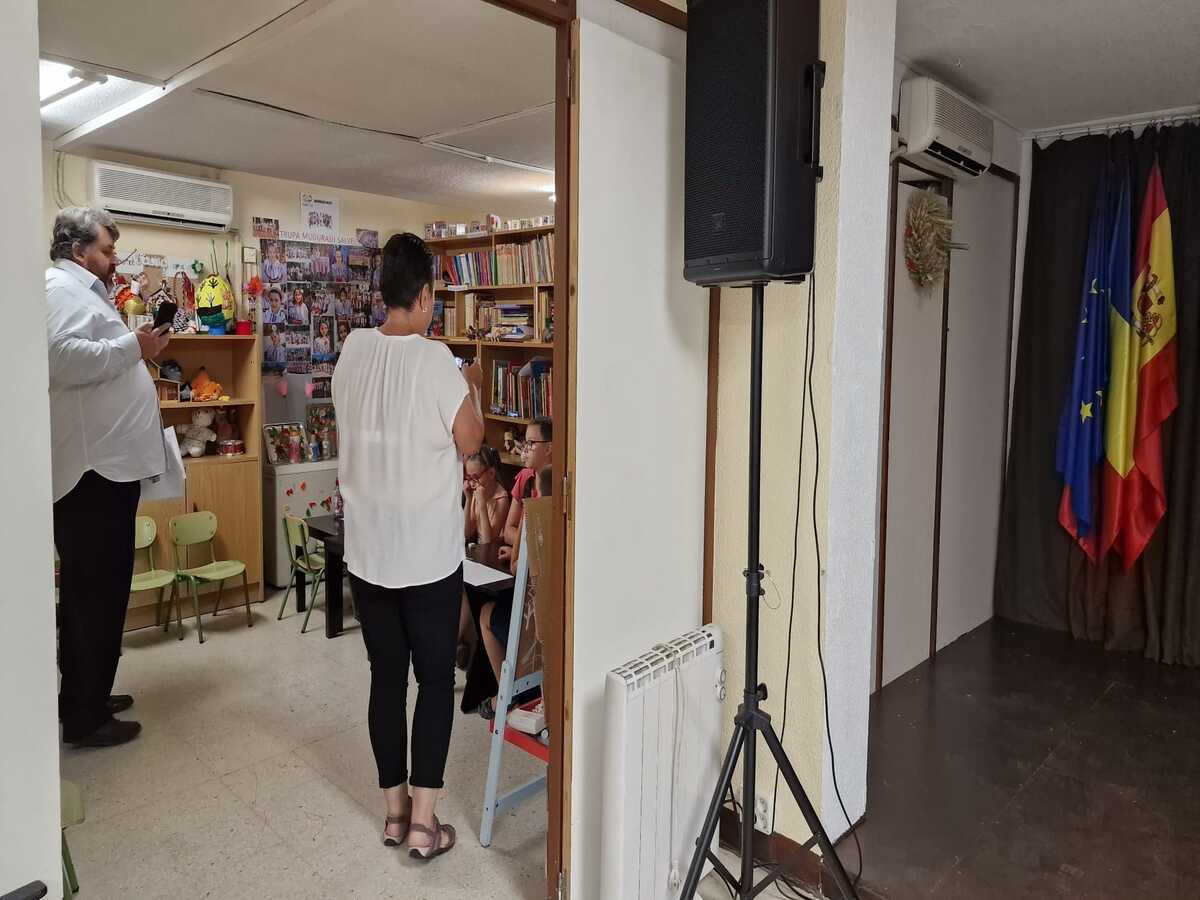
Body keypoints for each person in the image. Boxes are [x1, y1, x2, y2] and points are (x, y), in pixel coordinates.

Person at [333, 232, 484, 860]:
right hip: (426, 555)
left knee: (386, 679)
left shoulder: (352, 349)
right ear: (423, 294)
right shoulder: (437, 360)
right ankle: (425, 824)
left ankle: (394, 812)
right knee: (434, 681)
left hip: (368, 551)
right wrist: (470, 385)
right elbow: (470, 441)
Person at [46, 207, 170, 748]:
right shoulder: (58, 289)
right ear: (78, 251)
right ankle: (85, 716)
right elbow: (60, 358)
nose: (114, 258)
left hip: (105, 471)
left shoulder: (84, 293)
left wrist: (139, 348)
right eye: (106, 249)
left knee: (96, 593)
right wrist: (133, 347)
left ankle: (86, 695)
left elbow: (98, 361)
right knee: (94, 595)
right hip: (90, 473)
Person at [477, 463, 552, 720]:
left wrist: (526, 520)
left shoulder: (538, 523)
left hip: (534, 623)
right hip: (545, 616)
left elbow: (517, 565)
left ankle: (507, 694)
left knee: (487, 613)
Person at [464, 446, 510, 544]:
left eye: (475, 477)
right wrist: (468, 500)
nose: (472, 483)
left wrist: (482, 504)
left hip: (492, 550)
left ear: (491, 473)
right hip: (478, 548)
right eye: (469, 478)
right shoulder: (476, 492)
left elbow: (487, 541)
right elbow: (466, 534)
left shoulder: (502, 499)